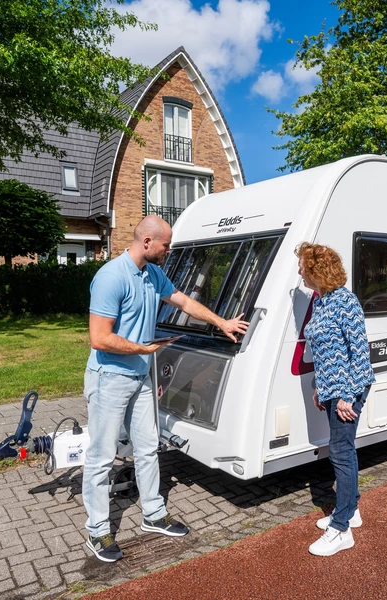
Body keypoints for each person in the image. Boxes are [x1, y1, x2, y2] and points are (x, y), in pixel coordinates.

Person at [83, 215, 248, 563]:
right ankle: (98, 531)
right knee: (101, 457)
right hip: (110, 378)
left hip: (140, 377)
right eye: (166, 245)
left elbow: (184, 302)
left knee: (147, 448)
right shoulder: (111, 277)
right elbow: (99, 337)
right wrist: (142, 349)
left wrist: (222, 322)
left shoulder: (152, 274)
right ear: (147, 243)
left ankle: (153, 514)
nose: (168, 250)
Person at [296, 242, 376, 557]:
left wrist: (347, 395)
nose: (299, 271)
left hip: (349, 388)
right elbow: (326, 352)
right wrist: (320, 386)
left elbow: (359, 353)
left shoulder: (346, 301)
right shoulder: (320, 301)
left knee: (340, 454)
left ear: (316, 269)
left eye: (302, 265)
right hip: (331, 387)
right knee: (342, 451)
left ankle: (341, 529)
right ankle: (351, 511)